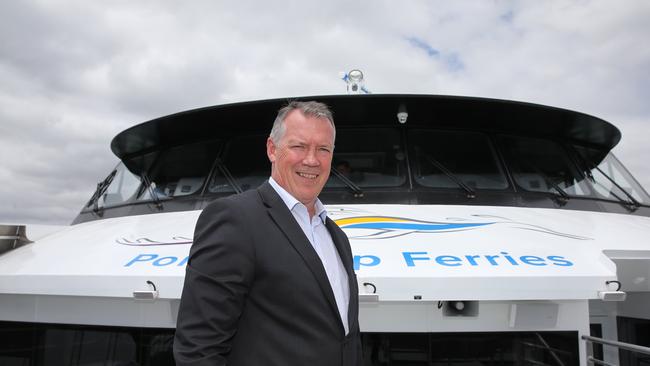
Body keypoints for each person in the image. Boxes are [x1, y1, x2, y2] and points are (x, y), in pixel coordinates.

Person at [173, 101, 361, 366]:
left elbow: (345, 336)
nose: (312, 159)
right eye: (299, 146)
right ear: (272, 149)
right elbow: (198, 349)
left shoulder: (337, 236)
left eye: (323, 149)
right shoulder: (235, 219)